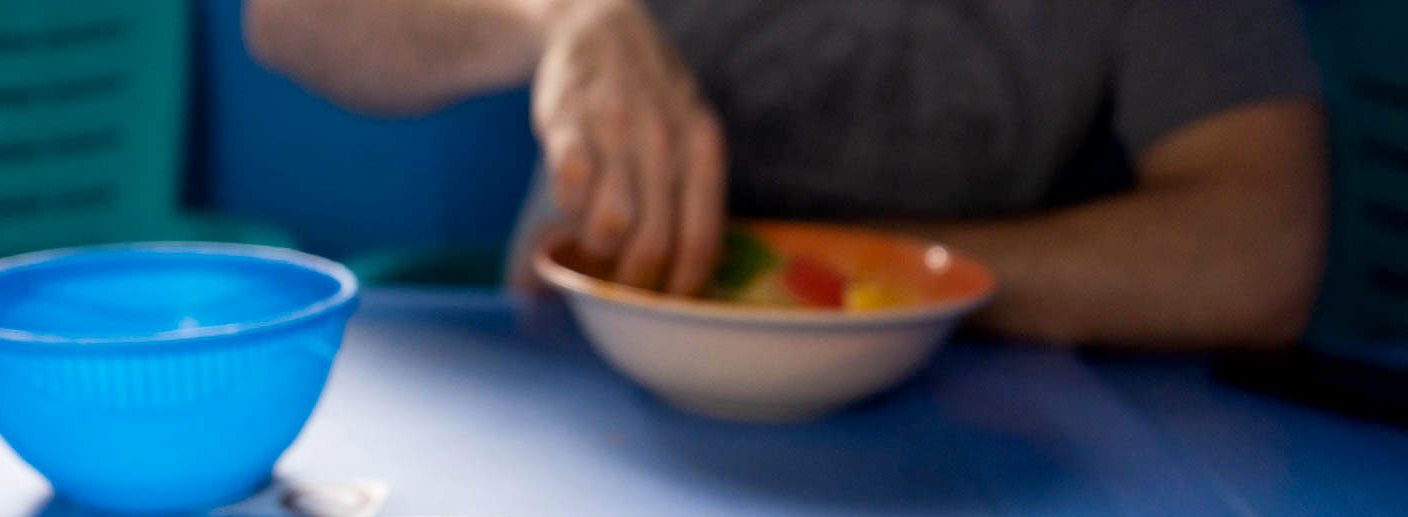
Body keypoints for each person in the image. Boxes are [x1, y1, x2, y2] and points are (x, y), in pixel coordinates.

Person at [241, 0, 1328, 351]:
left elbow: (1262, 243)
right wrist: (565, 14)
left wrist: (838, 281)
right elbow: (289, 21)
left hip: (984, 419)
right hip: (587, 385)